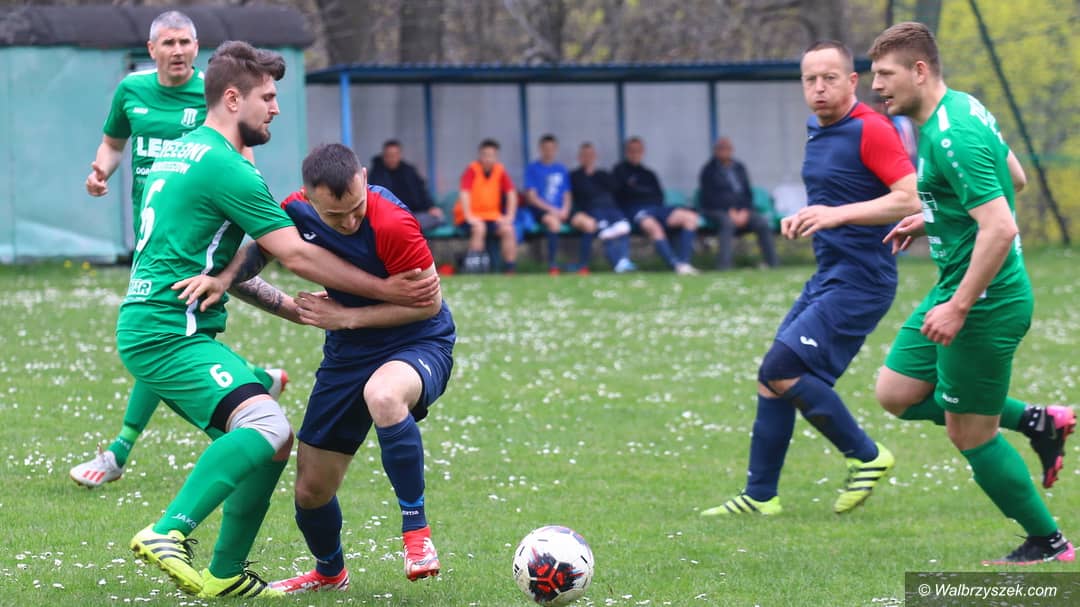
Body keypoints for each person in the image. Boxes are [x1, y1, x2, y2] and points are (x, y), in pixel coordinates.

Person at [120, 41, 438, 599]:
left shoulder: (179, 152)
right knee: (266, 426)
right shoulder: (230, 168)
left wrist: (282, 305)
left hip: (159, 321)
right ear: (233, 99)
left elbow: (224, 267)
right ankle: (168, 530)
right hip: (170, 330)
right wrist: (385, 290)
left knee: (275, 441)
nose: (275, 108)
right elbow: (295, 254)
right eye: (267, 97)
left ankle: (224, 572)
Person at [870, 22, 1074, 564]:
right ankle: (1037, 420)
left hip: (984, 302)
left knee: (970, 434)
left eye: (885, 74)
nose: (876, 86)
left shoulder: (951, 133)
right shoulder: (962, 108)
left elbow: (1001, 227)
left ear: (919, 71)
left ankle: (1049, 544)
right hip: (956, 286)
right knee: (896, 391)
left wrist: (959, 307)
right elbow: (1015, 179)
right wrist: (933, 215)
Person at [702, 40, 920, 518]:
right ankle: (761, 496)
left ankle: (866, 456)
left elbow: (910, 198)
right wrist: (807, 216)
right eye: (810, 80)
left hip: (863, 279)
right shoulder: (817, 129)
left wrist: (835, 215)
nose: (819, 88)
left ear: (852, 81)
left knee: (783, 368)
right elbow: (838, 195)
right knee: (771, 377)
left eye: (829, 78)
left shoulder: (872, 128)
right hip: (831, 273)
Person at [70, 10, 287, 489]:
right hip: (153, 232)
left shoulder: (216, 93)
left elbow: (242, 160)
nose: (178, 51)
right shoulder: (132, 91)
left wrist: (257, 216)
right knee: (163, 335)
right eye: (168, 42)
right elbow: (112, 144)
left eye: (185, 42)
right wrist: (101, 170)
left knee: (159, 334)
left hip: (196, 237)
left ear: (196, 46)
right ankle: (255, 379)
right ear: (151, 50)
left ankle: (120, 449)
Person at [232, 144, 452, 592]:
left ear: (364, 178)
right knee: (310, 491)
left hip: (417, 340)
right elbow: (250, 261)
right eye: (336, 216)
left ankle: (417, 535)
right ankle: (330, 574)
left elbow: (428, 305)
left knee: (383, 395)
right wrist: (216, 275)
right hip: (347, 354)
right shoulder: (294, 213)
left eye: (356, 208)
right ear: (309, 199)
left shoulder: (392, 221)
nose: (350, 222)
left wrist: (347, 316)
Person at [612, 137, 700, 275]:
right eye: (632, 150)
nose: (635, 153)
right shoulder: (619, 171)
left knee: (690, 217)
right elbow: (620, 195)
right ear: (626, 152)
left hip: (656, 208)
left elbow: (659, 195)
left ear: (643, 152)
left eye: (638, 150)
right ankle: (675, 264)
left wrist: (637, 190)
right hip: (635, 211)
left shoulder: (649, 174)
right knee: (653, 226)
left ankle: (685, 262)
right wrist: (638, 193)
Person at [698, 137, 778, 270]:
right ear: (715, 151)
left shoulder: (739, 168)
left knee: (762, 223)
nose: (724, 151)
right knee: (727, 223)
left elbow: (747, 192)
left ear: (732, 150)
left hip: (742, 210)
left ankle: (772, 263)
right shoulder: (708, 170)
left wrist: (745, 210)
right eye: (721, 148)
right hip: (717, 210)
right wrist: (729, 210)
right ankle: (724, 265)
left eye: (727, 148)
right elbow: (709, 197)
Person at [524, 134, 590, 275]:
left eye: (552, 148)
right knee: (554, 224)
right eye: (546, 148)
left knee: (588, 224)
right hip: (542, 210)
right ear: (540, 149)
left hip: (562, 210)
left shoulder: (561, 169)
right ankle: (553, 266)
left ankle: (583, 266)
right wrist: (553, 210)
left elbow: (567, 194)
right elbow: (532, 197)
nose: (549, 151)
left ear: (556, 149)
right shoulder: (532, 168)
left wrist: (565, 209)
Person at [453, 139, 519, 273]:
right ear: (480, 155)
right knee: (479, 228)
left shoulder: (500, 170)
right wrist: (469, 216)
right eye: (485, 155)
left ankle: (510, 269)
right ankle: (476, 269)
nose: (488, 159)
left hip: (492, 216)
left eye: (491, 155)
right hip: (469, 217)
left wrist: (510, 216)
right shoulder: (472, 169)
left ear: (496, 156)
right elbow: (464, 193)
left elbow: (511, 193)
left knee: (508, 229)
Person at [569, 142, 635, 273]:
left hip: (611, 209)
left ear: (595, 156)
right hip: (591, 210)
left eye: (590, 155)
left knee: (623, 227)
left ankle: (624, 260)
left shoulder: (603, 175)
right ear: (580, 157)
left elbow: (616, 189)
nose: (588, 157)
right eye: (585, 155)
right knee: (605, 230)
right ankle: (618, 263)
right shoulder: (575, 176)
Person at [368, 139, 445, 233]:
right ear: (384, 156)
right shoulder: (376, 174)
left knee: (436, 218)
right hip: (388, 217)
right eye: (389, 155)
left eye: (395, 155)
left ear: (400, 155)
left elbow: (421, 191)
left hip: (413, 215)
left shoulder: (409, 171)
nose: (392, 158)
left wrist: (430, 207)